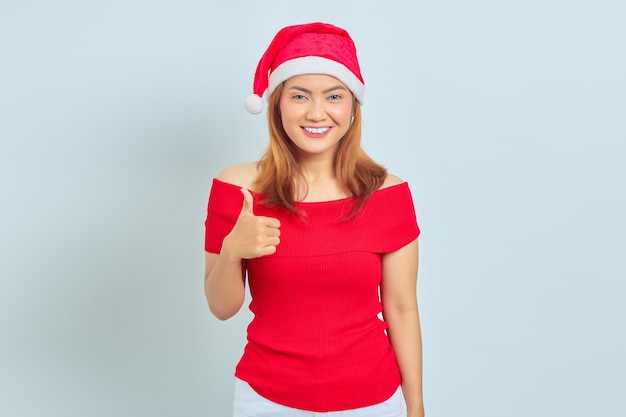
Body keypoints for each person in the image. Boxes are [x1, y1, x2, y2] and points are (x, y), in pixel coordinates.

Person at [204, 22, 424, 417]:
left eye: (334, 96)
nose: (316, 112)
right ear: (278, 104)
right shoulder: (236, 190)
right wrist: (232, 251)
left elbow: (402, 309)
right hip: (266, 399)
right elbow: (222, 307)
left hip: (373, 400)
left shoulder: (388, 194)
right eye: (300, 95)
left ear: (352, 107)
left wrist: (417, 407)